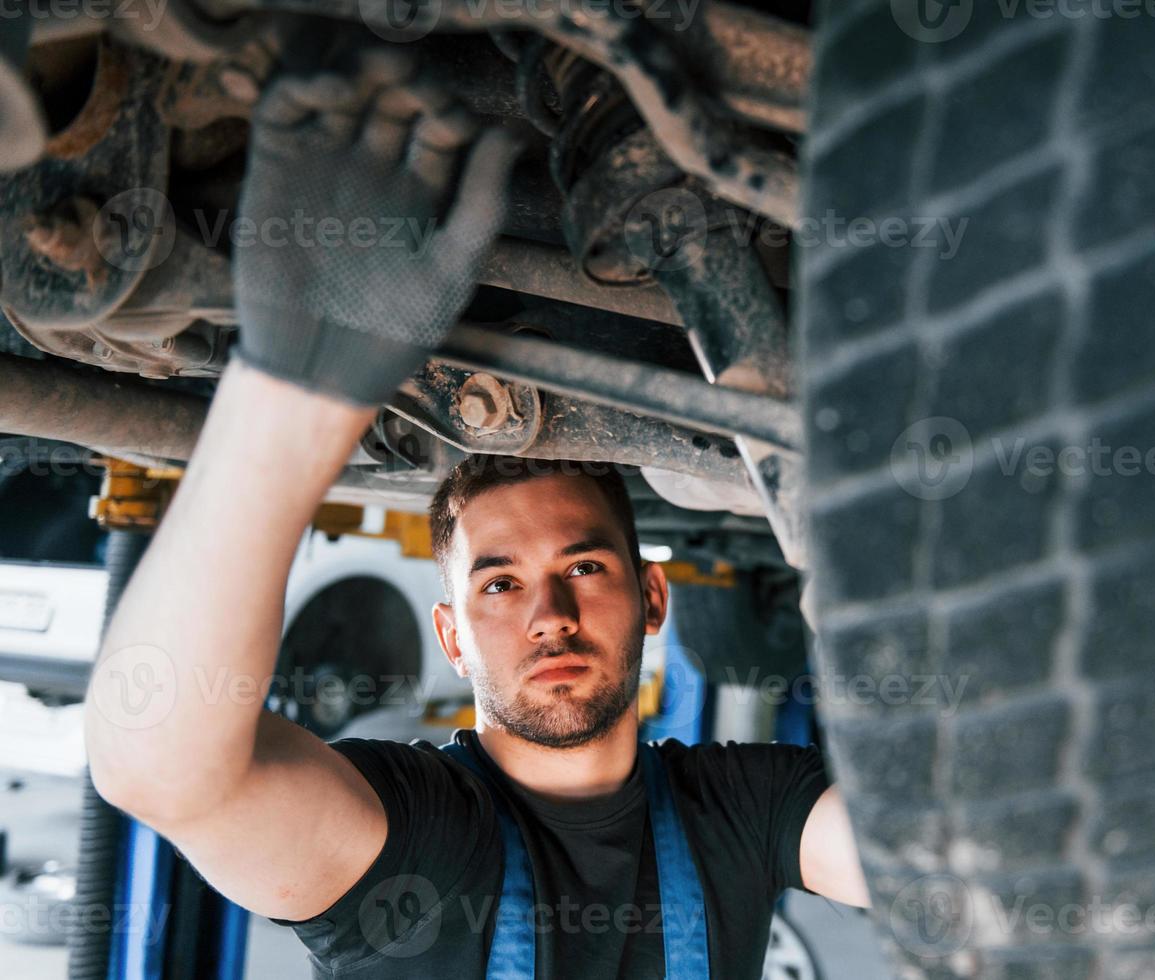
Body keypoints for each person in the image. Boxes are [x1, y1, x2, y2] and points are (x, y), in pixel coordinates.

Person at [82, 37, 868, 980]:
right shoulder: (413, 836)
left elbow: (925, 859)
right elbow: (158, 771)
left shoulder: (744, 807)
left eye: (584, 566)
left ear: (654, 596)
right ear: (452, 637)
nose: (551, 617)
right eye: (500, 584)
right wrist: (288, 397)